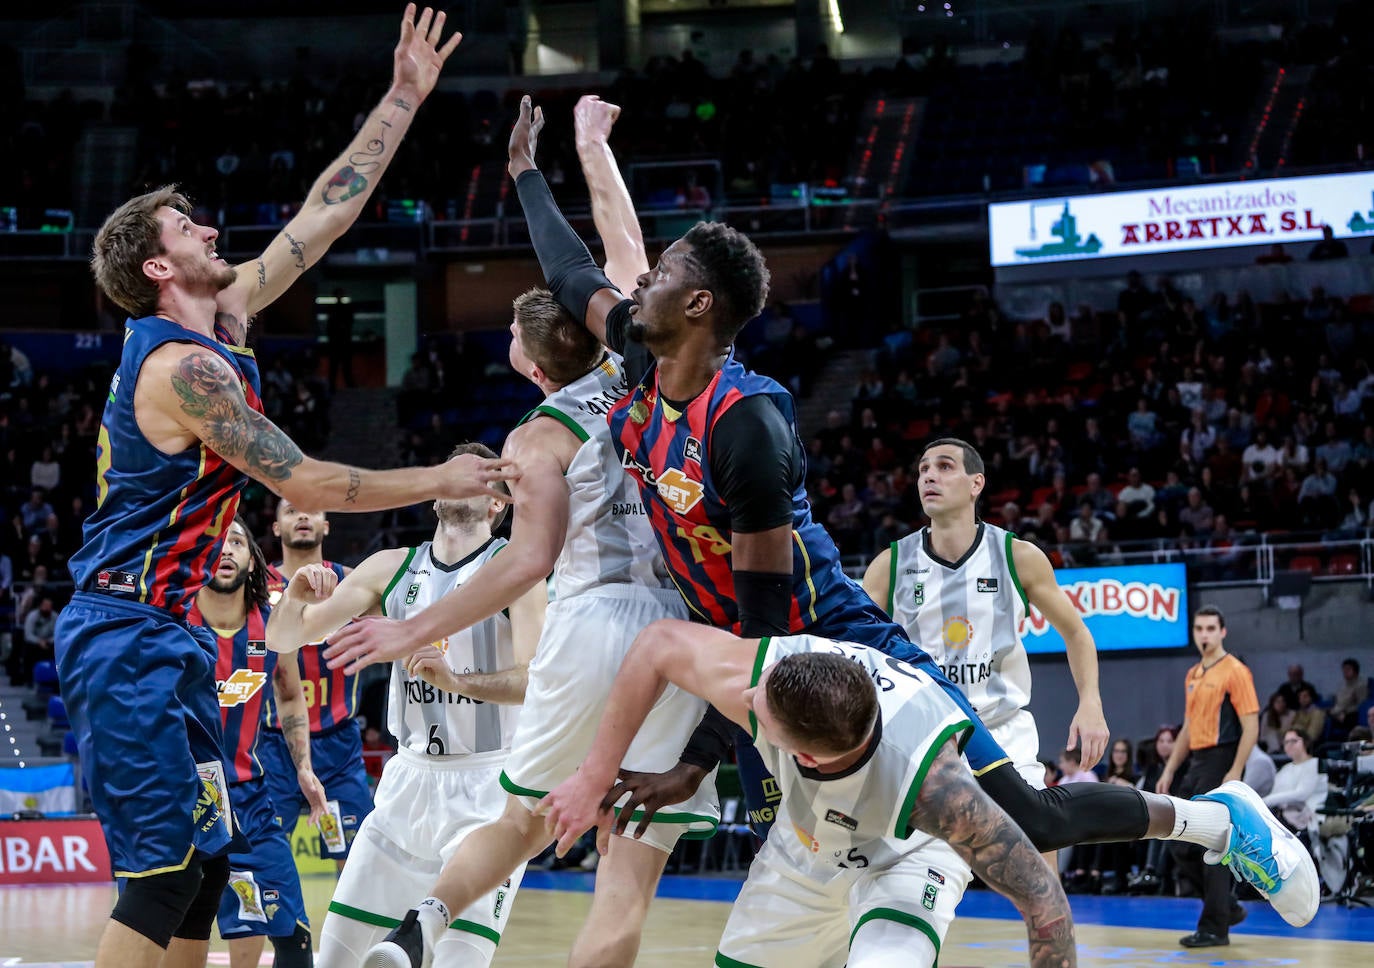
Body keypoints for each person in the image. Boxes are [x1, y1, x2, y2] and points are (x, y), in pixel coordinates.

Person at [476, 92, 1316, 930]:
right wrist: (521, 170)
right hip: (746, 652)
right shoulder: (637, 351)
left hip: (829, 640)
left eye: (659, 276)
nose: (640, 282)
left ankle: (1218, 819)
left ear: (699, 307)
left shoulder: (745, 424)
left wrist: (702, 762)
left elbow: (764, 626)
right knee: (806, 857)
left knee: (1031, 817)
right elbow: (570, 272)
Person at [53, 10, 514, 966]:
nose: (212, 226)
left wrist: (403, 95)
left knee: (208, 868)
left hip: (170, 629)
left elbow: (324, 213)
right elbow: (305, 479)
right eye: (188, 225)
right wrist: (440, 473)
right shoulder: (183, 370)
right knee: (161, 871)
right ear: (154, 266)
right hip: (123, 628)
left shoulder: (220, 318)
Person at [327, 286, 720, 968]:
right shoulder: (644, 371)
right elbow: (611, 234)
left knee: (518, 823)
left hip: (589, 617)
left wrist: (409, 630)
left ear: (537, 373)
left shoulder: (537, 435)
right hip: (677, 621)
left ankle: (426, 917)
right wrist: (554, 173)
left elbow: (529, 560)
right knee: (625, 870)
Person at [538, 620, 1079, 968]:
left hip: (910, 849)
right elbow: (656, 642)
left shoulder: (941, 795)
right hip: (804, 848)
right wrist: (593, 776)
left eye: (759, 713)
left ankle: (1172, 814)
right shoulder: (772, 671)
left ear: (806, 757)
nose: (747, 698)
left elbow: (1043, 899)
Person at [265, 443, 546, 967]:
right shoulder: (391, 567)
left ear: (498, 504)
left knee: (457, 960)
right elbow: (286, 639)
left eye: (480, 477)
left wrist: (458, 681)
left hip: (488, 789)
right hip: (406, 784)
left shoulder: (517, 569)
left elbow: (537, 682)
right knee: (336, 959)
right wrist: (297, 596)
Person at [862, 438, 1111, 836]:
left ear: (976, 483)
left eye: (944, 466)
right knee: (911, 870)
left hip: (1002, 729)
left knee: (1037, 841)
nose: (929, 475)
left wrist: (1091, 703)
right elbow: (854, 653)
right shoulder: (889, 565)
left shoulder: (1017, 556)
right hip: (925, 735)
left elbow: (1077, 633)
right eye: (923, 469)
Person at [184, 518, 325, 968]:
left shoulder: (273, 624)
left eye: (238, 541)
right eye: (217, 541)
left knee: (290, 930)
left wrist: (303, 768)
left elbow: (288, 695)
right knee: (176, 929)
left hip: (250, 796)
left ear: (253, 560)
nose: (226, 549)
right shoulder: (173, 618)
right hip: (182, 799)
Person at [258, 500, 371, 867]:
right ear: (276, 528)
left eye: (312, 511)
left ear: (326, 526)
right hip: (273, 742)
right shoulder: (256, 588)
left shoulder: (355, 584)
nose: (302, 516)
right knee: (265, 856)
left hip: (338, 741)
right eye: (291, 511)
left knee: (356, 863)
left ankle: (350, 927)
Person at [1157, 606, 1268, 948]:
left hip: (1223, 758)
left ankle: (1214, 928)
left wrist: (1235, 770)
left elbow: (1251, 725)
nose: (1204, 634)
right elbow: (1189, 727)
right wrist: (1170, 769)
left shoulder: (1236, 671)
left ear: (1223, 632)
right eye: (1199, 628)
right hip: (1197, 762)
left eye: (1210, 628)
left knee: (1213, 844)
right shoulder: (1193, 673)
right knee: (1178, 843)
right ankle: (1228, 907)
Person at [1265, 730, 1325, 835]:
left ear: (1305, 742)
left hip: (1310, 817)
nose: (1289, 745)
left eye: (1293, 741)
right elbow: (1276, 794)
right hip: (1284, 816)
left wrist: (1267, 801)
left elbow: (1301, 794)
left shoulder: (1315, 764)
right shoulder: (1285, 769)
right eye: (1286, 742)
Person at [326, 288, 356, 388]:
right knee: (334, 365)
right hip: (335, 342)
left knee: (346, 365)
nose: (339, 296)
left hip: (343, 341)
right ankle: (332, 385)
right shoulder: (332, 309)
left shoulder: (346, 308)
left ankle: (348, 384)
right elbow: (329, 326)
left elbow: (350, 322)